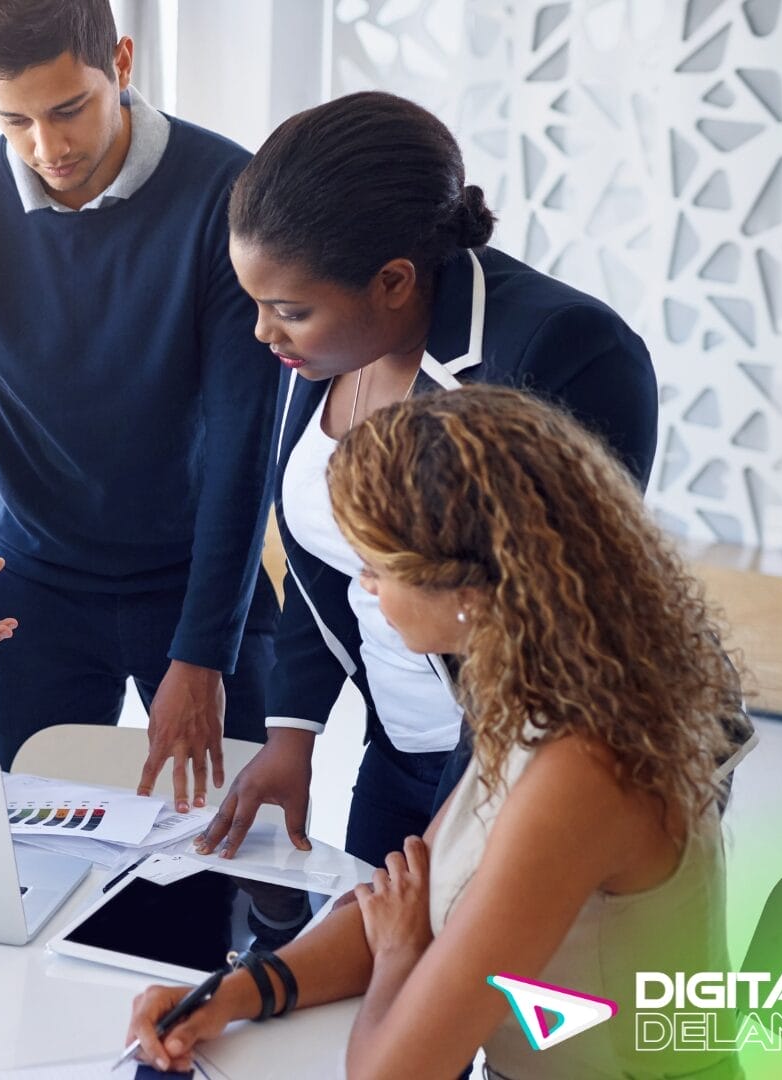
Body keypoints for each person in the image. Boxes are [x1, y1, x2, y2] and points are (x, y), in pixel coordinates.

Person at [129, 386, 743, 1079]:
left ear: (468, 595)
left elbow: (392, 1066)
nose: (364, 589)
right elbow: (403, 904)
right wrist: (232, 994)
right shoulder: (537, 696)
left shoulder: (584, 770)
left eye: (376, 568)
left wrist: (401, 954)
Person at [199, 91, 659, 867]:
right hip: (396, 745)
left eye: (288, 310)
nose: (263, 331)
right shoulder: (323, 344)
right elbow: (329, 562)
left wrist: (455, 830)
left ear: (393, 281)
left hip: (523, 765)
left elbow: (543, 627)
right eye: (258, 304)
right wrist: (291, 735)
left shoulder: (565, 352)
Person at [0, 0, 279, 809]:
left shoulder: (227, 196)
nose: (46, 147)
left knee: (237, 839)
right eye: (14, 121)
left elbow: (244, 447)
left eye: (69, 109)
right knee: (48, 840)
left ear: (121, 64)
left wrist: (203, 652)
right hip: (34, 590)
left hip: (201, 579)